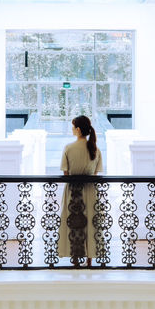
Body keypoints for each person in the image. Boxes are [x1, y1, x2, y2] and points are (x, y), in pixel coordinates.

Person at [57, 114, 103, 268]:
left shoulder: (69, 148)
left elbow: (66, 172)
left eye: (72, 127)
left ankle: (75, 259)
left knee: (74, 223)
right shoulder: (95, 149)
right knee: (91, 223)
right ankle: (90, 260)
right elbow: (96, 173)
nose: (72, 129)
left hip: (73, 191)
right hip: (90, 191)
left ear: (77, 129)